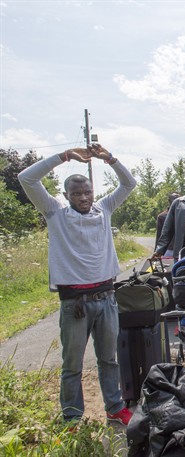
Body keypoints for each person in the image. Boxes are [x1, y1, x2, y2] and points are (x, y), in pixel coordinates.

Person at [18, 144, 138, 425]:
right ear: (66, 195)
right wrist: (64, 156)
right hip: (75, 304)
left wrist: (110, 158)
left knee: (109, 360)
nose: (84, 198)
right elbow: (26, 178)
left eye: (87, 192)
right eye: (77, 193)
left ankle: (115, 407)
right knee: (72, 365)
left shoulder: (104, 208)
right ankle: (72, 417)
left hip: (107, 297)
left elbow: (129, 183)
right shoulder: (55, 212)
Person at [155, 192, 180, 258]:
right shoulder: (162, 216)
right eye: (174, 198)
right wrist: (157, 251)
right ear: (169, 201)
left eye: (178, 198)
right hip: (168, 250)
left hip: (182, 249)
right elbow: (159, 235)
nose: (176, 200)